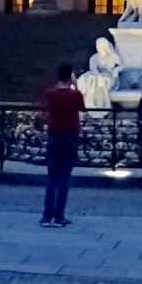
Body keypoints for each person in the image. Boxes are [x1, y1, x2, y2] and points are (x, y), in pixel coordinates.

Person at [40, 64, 85, 227]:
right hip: (70, 137)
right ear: (71, 76)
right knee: (64, 177)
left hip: (54, 136)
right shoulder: (75, 95)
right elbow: (82, 107)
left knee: (51, 176)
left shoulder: (50, 93)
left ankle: (46, 215)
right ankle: (59, 216)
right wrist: (76, 85)